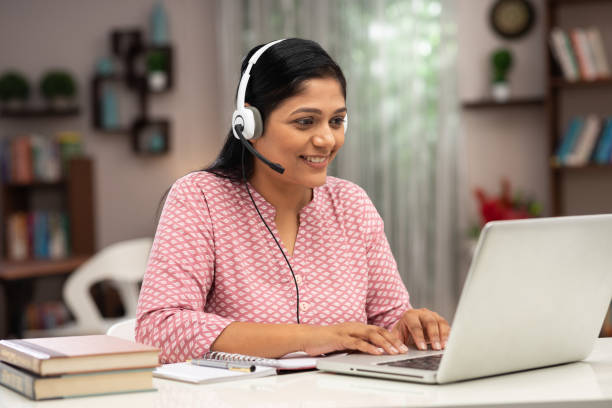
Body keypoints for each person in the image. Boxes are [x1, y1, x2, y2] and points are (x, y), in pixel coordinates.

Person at [135, 38, 450, 364]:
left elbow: (388, 320)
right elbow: (159, 328)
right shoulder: (200, 198)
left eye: (337, 121)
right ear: (249, 124)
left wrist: (411, 326)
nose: (326, 139)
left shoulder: (351, 204)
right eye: (305, 121)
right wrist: (316, 337)